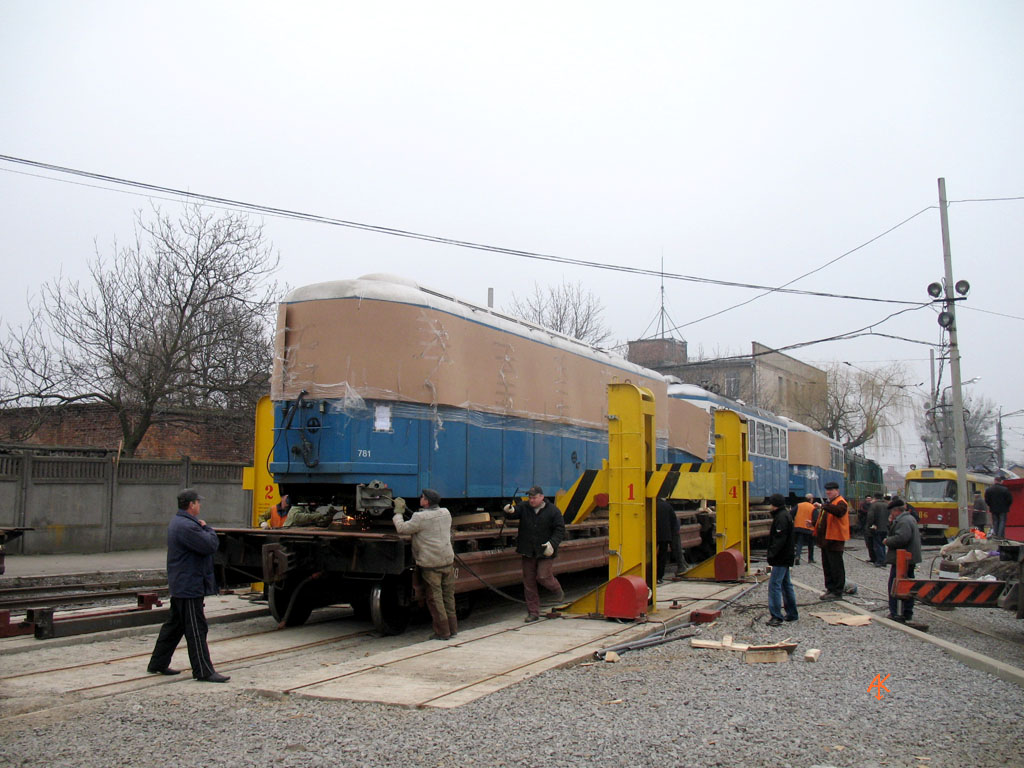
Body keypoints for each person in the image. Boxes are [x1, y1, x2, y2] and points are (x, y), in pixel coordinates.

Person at [147, 488, 230, 682]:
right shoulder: (187, 526)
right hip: (189, 585)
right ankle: (203, 671)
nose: (200, 505)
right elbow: (210, 545)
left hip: (182, 583)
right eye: (198, 502)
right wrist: (208, 529)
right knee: (196, 628)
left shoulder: (179, 522)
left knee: (174, 626)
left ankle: (157, 663)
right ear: (191, 504)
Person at [393, 489, 457, 640]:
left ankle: (442, 632)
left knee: (435, 598)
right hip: (447, 560)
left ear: (426, 501)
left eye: (422, 497)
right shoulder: (446, 512)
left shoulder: (419, 517)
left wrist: (398, 513)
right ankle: (453, 628)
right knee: (448, 596)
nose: (420, 498)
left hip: (431, 563)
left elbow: (402, 528)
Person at [503, 486, 566, 622]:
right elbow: (514, 513)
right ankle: (533, 612)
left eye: (534, 498)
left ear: (542, 497)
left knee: (543, 576)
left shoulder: (553, 511)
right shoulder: (524, 507)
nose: (531, 500)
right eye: (530, 498)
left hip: (545, 551)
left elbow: (560, 529)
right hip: (528, 551)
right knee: (529, 583)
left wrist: (552, 544)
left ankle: (556, 589)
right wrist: (509, 511)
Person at [883, 497, 922, 623]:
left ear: (895, 511)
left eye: (891, 512)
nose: (891, 514)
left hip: (903, 559)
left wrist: (887, 541)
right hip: (908, 558)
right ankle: (906, 611)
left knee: (896, 584)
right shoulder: (909, 518)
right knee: (908, 584)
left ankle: (897, 612)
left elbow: (902, 538)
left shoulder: (903, 521)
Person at [765, 493, 798, 626]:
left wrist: (771, 554)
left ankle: (776, 616)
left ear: (774, 505)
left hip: (781, 557)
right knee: (785, 584)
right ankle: (792, 613)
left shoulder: (781, 518)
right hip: (786, 555)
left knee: (774, 585)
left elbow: (779, 539)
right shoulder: (785, 515)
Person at [815, 481, 850, 601]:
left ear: (837, 491)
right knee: (828, 566)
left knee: (836, 567)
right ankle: (830, 589)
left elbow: (838, 512)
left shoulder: (840, 502)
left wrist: (823, 506)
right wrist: (814, 524)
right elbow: (825, 520)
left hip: (835, 540)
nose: (828, 492)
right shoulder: (829, 503)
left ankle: (837, 591)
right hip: (826, 540)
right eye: (827, 490)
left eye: (831, 490)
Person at [656, 497, 684, 582]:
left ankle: (649, 575)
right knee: (662, 556)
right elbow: (674, 521)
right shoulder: (667, 506)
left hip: (653, 535)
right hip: (665, 536)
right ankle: (659, 577)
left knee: (650, 556)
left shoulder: (651, 506)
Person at [984, 475, 1013, 539]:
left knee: (995, 521)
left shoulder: (989, 490)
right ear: (1001, 482)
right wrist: (1006, 506)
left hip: (993, 509)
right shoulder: (1005, 489)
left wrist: (990, 505)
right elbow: (1010, 500)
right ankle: (1000, 535)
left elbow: (986, 500)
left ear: (994, 481)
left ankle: (996, 535)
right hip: (1003, 509)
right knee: (1002, 521)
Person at [792, 493, 817, 565]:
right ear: (811, 499)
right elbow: (816, 519)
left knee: (799, 543)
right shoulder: (813, 507)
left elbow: (791, 513)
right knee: (811, 544)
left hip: (799, 527)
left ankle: (797, 556)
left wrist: (794, 521)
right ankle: (810, 559)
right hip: (809, 528)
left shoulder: (799, 505)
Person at [867, 494, 890, 567]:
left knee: (877, 544)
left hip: (877, 527)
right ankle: (884, 559)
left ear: (875, 498)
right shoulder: (887, 505)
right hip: (885, 527)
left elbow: (870, 517)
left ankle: (880, 560)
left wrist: (870, 525)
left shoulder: (874, 505)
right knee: (883, 544)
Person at [859, 495, 877, 563]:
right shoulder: (863, 505)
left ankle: (875, 558)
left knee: (872, 542)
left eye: (870, 498)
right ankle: (874, 558)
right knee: (871, 542)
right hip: (866, 523)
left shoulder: (873, 506)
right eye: (867, 498)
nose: (869, 500)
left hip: (870, 525)